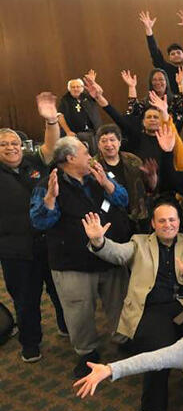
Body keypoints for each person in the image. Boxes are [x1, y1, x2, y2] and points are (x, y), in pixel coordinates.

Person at [83, 200, 183, 411]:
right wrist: (99, 241)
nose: (167, 224)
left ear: (179, 222)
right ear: (153, 223)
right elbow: (116, 253)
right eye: (161, 220)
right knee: (157, 351)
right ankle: (148, 410)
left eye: (172, 220)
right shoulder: (139, 242)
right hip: (151, 309)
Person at [30, 136, 131, 378]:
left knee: (118, 302)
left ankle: (123, 339)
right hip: (71, 262)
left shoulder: (99, 174)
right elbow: (39, 221)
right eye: (86, 153)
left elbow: (123, 200)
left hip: (108, 254)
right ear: (70, 158)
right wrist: (50, 200)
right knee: (79, 311)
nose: (91, 157)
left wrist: (107, 184)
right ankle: (87, 352)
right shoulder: (48, 184)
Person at [0, 92, 67, 362]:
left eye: (15, 143)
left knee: (59, 292)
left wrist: (52, 122)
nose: (11, 148)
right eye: (4, 144)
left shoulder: (33, 162)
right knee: (26, 301)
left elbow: (51, 149)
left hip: (47, 244)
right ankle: (31, 343)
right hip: (15, 251)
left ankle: (66, 327)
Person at [94, 124, 155, 233]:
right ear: (98, 144)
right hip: (109, 217)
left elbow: (150, 189)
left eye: (112, 140)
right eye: (104, 141)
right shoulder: (94, 165)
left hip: (138, 215)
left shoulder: (133, 160)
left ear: (119, 142)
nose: (109, 144)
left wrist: (152, 176)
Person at [138, 9, 183, 94]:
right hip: (172, 104)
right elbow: (155, 53)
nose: (176, 55)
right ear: (170, 58)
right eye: (172, 54)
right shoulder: (165, 69)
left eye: (178, 52)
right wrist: (149, 30)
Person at [57, 78, 102, 143]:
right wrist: (68, 131)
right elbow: (60, 116)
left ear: (82, 88)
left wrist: (93, 83)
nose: (75, 89)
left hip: (93, 131)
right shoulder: (65, 100)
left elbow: (100, 93)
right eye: (73, 87)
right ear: (69, 89)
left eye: (78, 87)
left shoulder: (88, 96)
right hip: (75, 134)